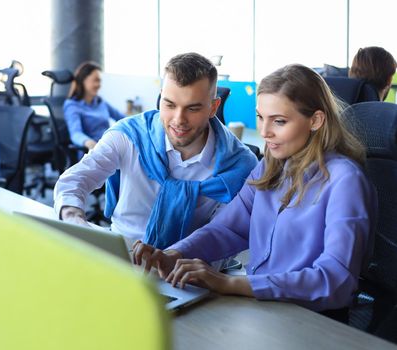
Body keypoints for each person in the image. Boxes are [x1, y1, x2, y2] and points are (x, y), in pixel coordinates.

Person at [133, 63, 377, 314]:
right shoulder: (270, 167)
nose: (264, 132)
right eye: (261, 117)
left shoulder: (345, 180)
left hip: (309, 318)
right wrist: (174, 253)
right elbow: (227, 228)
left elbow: (335, 280)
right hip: (260, 307)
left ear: (315, 120)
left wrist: (230, 283)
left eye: (279, 121)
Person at [54, 52, 258, 249]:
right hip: (121, 253)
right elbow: (73, 181)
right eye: (169, 104)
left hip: (190, 267)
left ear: (213, 108)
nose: (178, 120)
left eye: (193, 108)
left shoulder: (240, 165)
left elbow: (224, 233)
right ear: (160, 99)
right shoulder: (129, 136)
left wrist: (173, 258)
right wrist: (76, 222)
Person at [63, 61, 126, 150]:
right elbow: (75, 133)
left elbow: (122, 118)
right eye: (95, 80)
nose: (98, 85)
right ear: (83, 80)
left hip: (109, 147)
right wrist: (88, 142)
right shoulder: (72, 105)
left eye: (99, 81)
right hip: (92, 151)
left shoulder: (100, 102)